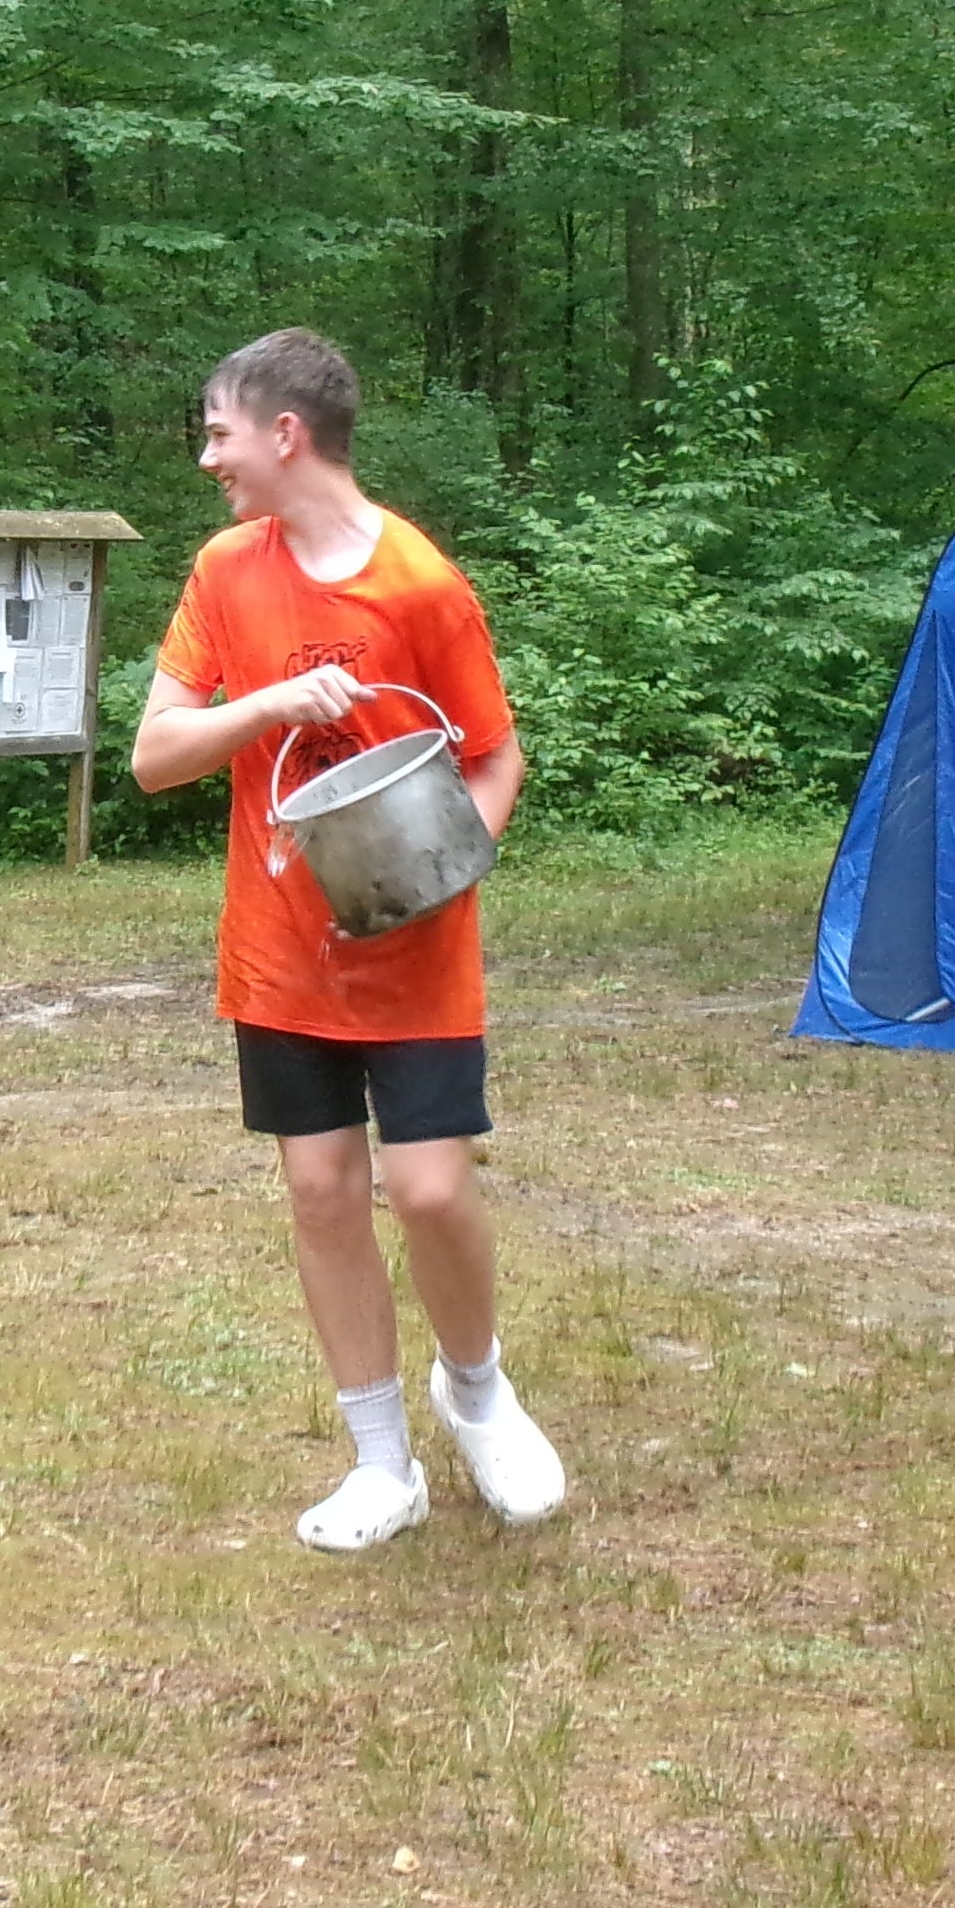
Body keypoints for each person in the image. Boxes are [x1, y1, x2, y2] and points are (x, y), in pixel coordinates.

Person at [127, 327, 567, 1554]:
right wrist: (265, 703)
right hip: (279, 951)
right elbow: (153, 755)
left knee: (427, 1189)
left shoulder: (419, 584)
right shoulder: (224, 569)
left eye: (216, 433)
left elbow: (493, 757)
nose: (205, 458)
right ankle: (380, 1465)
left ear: (284, 434)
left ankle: (474, 1392)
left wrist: (444, 870)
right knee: (321, 1192)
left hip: (412, 949)